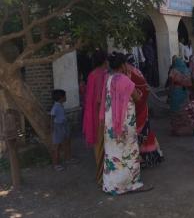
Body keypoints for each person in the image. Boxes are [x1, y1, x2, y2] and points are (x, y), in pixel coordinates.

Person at [100, 53, 152, 194]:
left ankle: (112, 185)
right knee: (129, 152)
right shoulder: (124, 79)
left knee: (113, 153)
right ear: (123, 65)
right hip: (124, 122)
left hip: (110, 123)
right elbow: (137, 97)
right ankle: (131, 184)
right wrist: (133, 86)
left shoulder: (109, 79)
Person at [126, 54, 164, 168]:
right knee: (144, 132)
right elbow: (144, 88)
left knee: (136, 133)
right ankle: (148, 156)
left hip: (135, 107)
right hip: (142, 106)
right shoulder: (137, 72)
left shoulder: (129, 74)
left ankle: (139, 159)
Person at [82, 49, 108, 183]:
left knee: (97, 147)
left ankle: (101, 176)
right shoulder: (102, 75)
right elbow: (99, 99)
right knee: (103, 146)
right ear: (104, 61)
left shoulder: (92, 75)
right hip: (100, 116)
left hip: (92, 114)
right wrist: (102, 118)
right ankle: (102, 177)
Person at [50, 89, 78, 172]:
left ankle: (68, 158)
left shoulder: (60, 105)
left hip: (64, 126)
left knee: (67, 142)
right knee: (57, 146)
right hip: (58, 127)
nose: (66, 97)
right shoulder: (56, 107)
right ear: (61, 98)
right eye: (65, 96)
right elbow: (52, 117)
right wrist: (52, 128)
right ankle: (56, 164)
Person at [168, 57, 193, 136]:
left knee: (175, 109)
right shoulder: (187, 70)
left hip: (176, 92)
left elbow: (171, 82)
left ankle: (176, 130)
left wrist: (169, 94)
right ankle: (186, 129)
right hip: (185, 92)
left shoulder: (173, 70)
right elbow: (190, 83)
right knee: (185, 110)